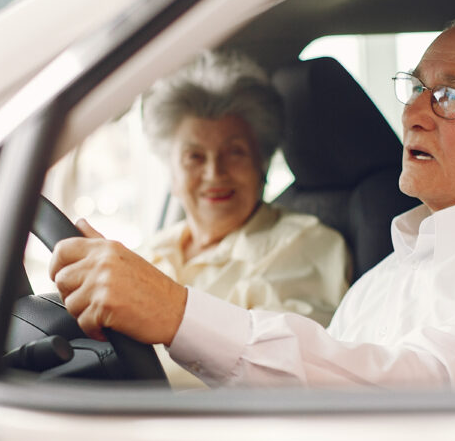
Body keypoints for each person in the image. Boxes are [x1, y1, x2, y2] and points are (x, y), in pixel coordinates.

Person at [52, 9, 455, 388]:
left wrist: (178, 314)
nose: (413, 112)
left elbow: (425, 397)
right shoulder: (386, 277)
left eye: (449, 96)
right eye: (416, 88)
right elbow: (314, 398)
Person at [137, 50, 351, 328]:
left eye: (235, 152)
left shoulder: (306, 246)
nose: (215, 173)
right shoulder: (153, 249)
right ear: (172, 172)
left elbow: (287, 360)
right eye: (195, 157)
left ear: (261, 163)